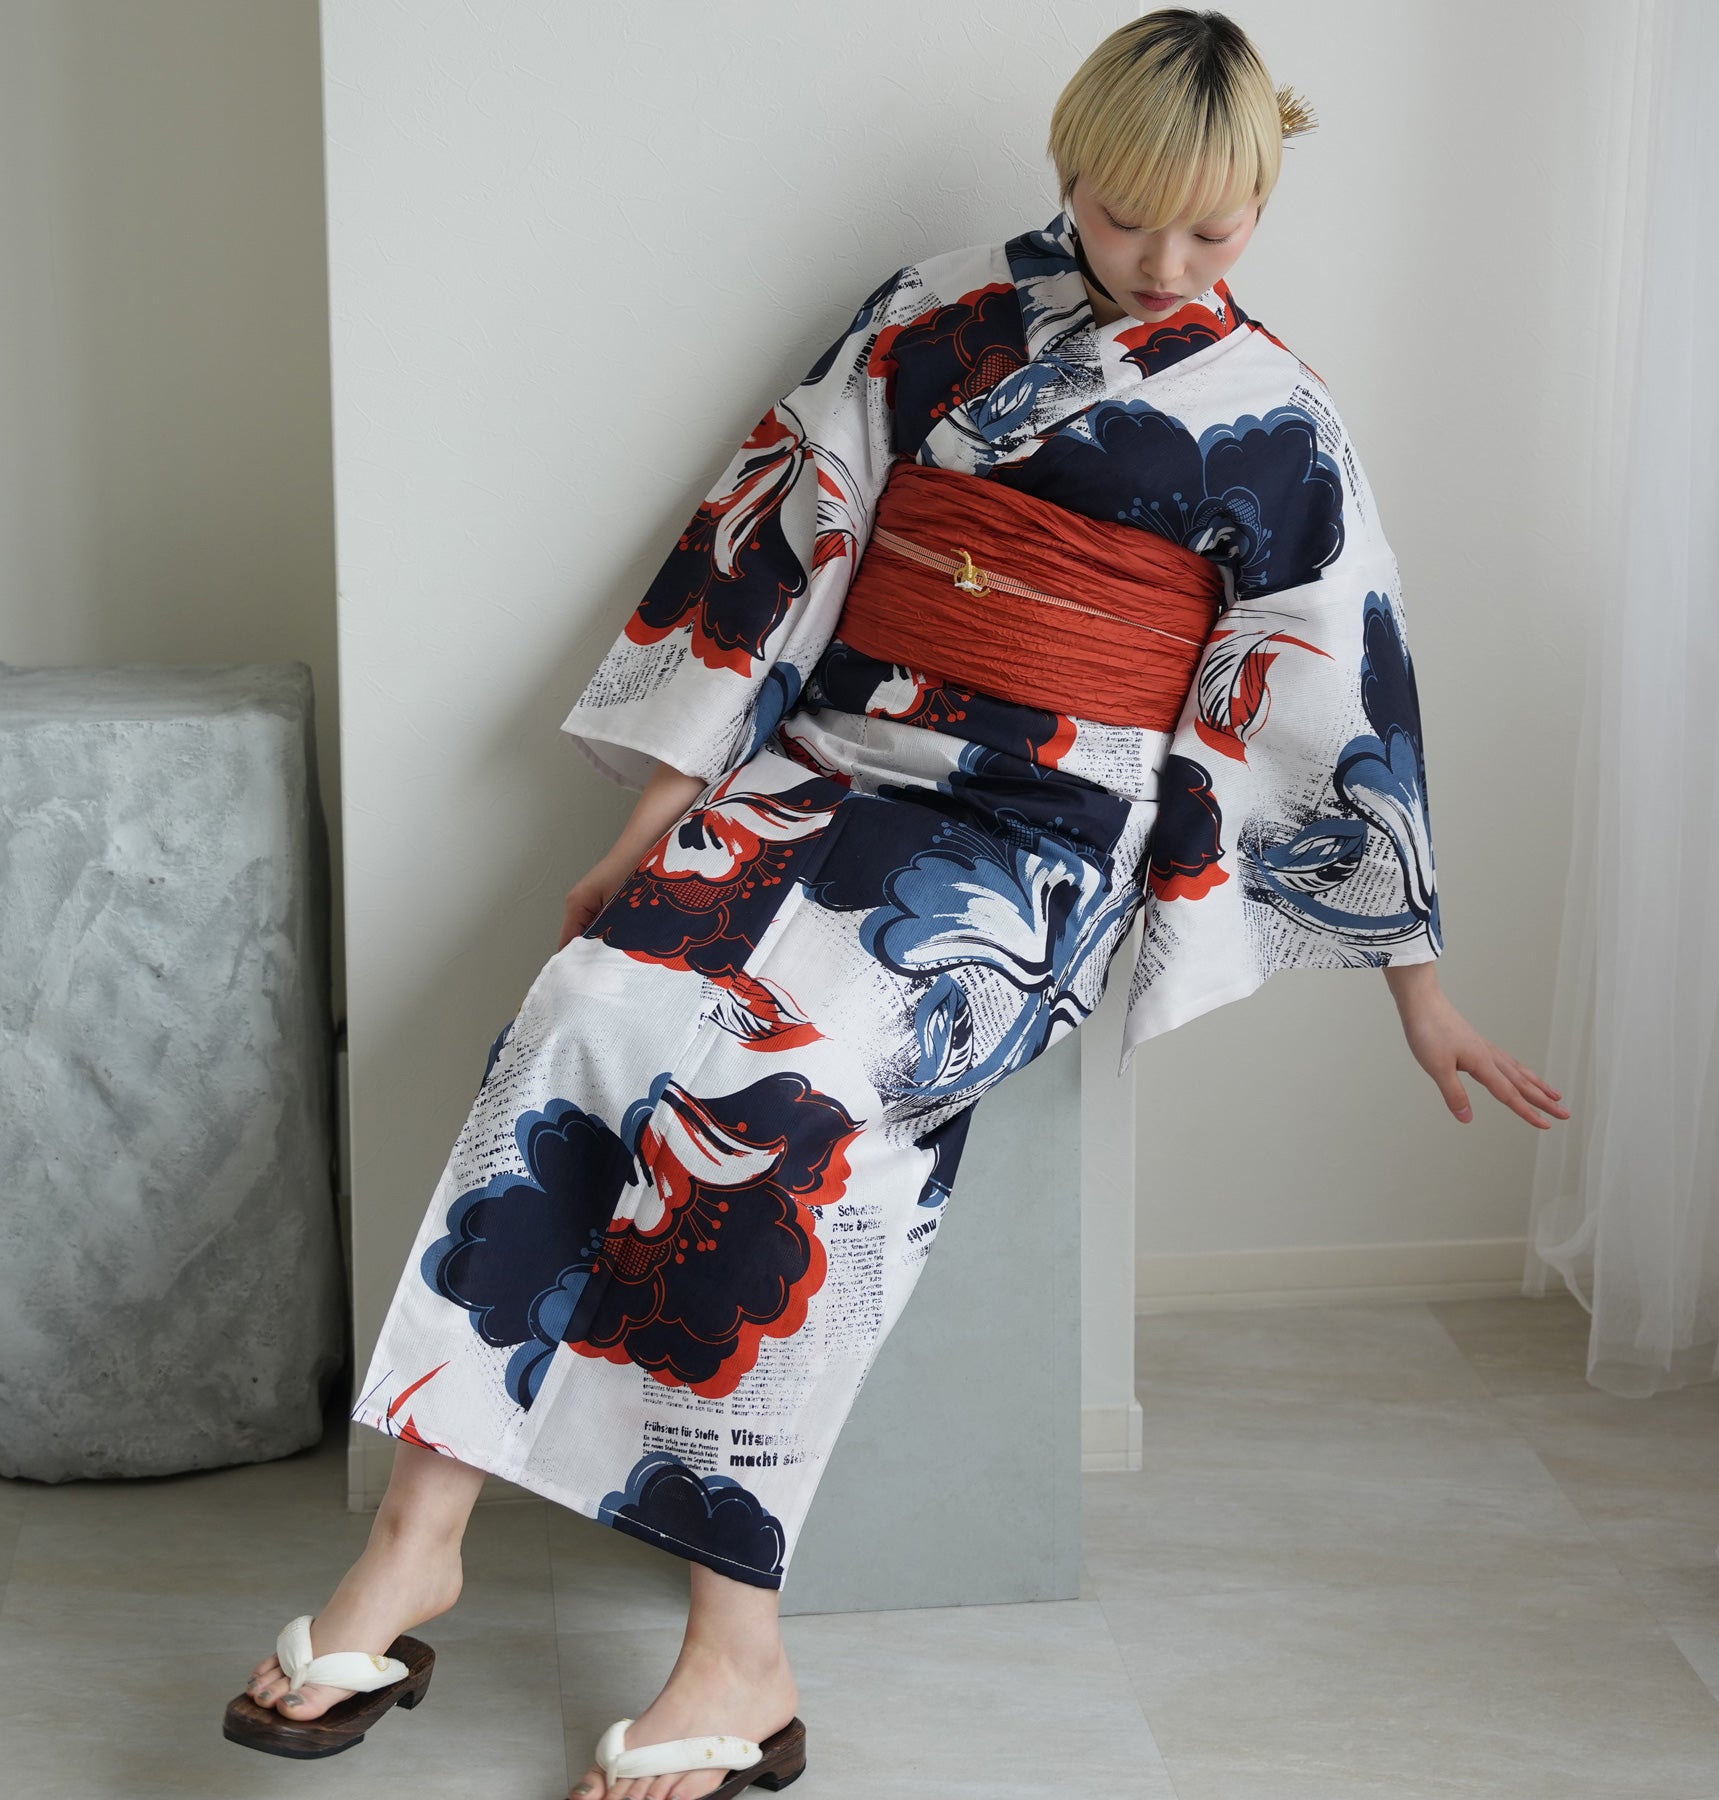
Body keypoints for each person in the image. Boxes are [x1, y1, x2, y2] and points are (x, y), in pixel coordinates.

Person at [226, 10, 1570, 1798]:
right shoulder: (933, 313)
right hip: (823, 765)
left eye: (1214, 229)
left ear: (1263, 202)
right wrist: (658, 821)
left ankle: (736, 1648)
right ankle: (418, 1541)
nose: (1164, 263)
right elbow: (778, 553)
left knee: (787, 1097)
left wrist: (1418, 982)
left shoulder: (1279, 420)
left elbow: (1338, 695)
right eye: (1124, 217)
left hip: (1031, 842)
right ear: (1066, 170)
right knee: (583, 1012)